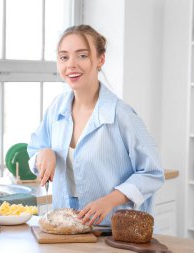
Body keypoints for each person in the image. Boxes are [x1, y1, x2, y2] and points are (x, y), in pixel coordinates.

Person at [27, 24, 165, 227]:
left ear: (100, 60)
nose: (71, 65)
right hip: (65, 229)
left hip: (114, 233)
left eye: (82, 55)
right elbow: (35, 150)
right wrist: (43, 153)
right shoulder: (56, 109)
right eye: (64, 57)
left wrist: (109, 201)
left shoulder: (122, 115)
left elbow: (152, 173)